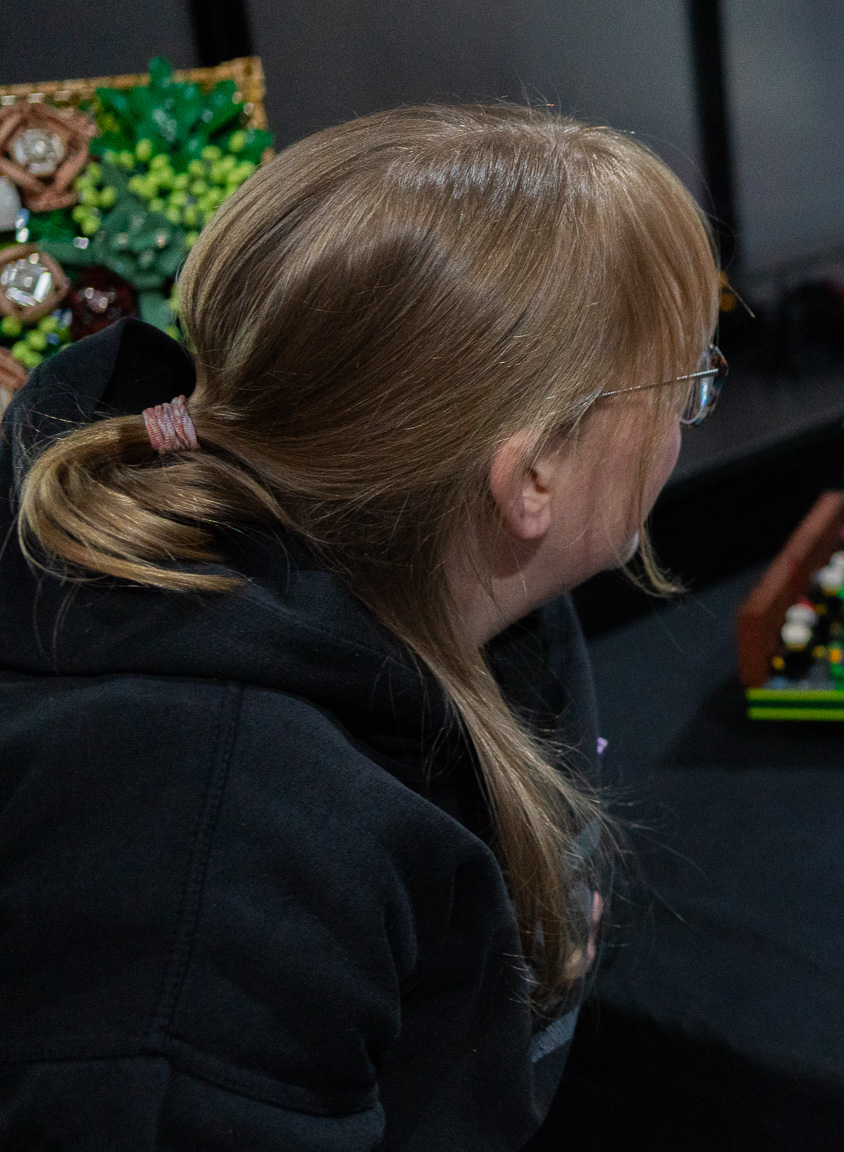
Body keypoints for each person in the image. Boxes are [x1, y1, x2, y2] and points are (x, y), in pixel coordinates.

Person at [0, 104, 721, 1147]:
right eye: (680, 385)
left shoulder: (486, 618)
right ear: (532, 475)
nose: (679, 426)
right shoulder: (215, 858)